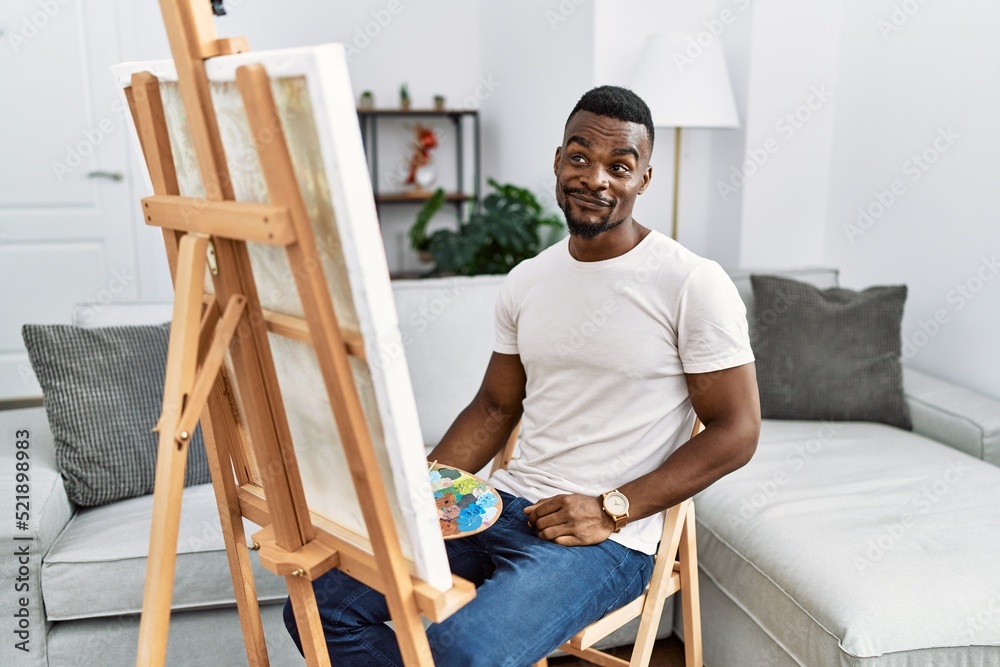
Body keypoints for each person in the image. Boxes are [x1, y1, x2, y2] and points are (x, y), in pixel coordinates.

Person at [283, 85, 761, 667]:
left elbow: (736, 430)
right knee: (318, 604)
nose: (597, 179)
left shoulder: (691, 283)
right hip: (500, 504)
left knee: (460, 649)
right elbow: (493, 409)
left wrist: (612, 506)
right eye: (581, 157)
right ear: (558, 161)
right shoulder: (528, 279)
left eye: (620, 166)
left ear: (645, 179)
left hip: (604, 538)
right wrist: (419, 494)